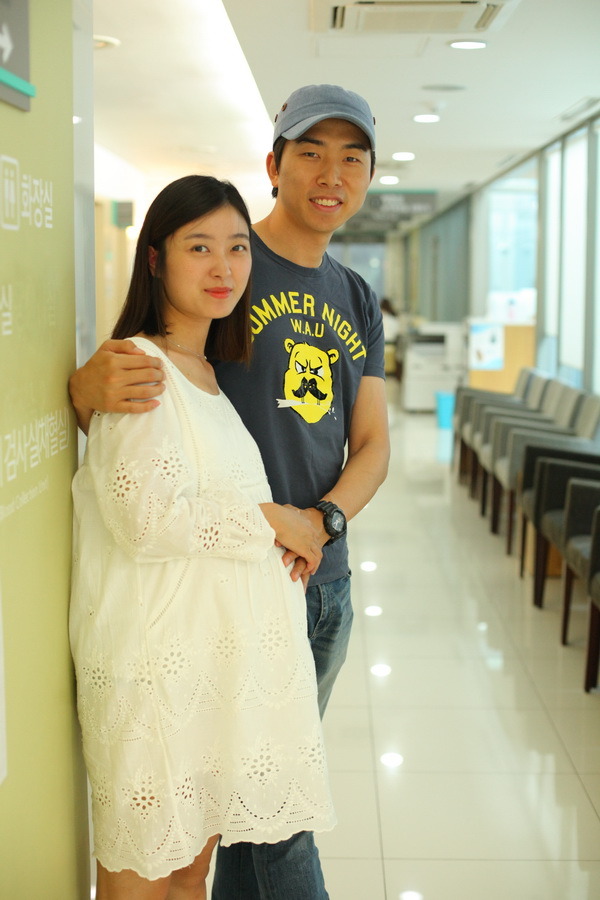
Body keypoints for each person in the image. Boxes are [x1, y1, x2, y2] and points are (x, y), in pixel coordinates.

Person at [69, 84, 390, 899]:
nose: (332, 174)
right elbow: (137, 441)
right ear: (274, 164)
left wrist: (322, 521)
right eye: (311, 152)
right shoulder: (221, 286)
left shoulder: (352, 295)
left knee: (246, 818)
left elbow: (373, 443)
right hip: (204, 605)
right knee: (268, 836)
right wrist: (79, 390)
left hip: (314, 584)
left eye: (352, 158)